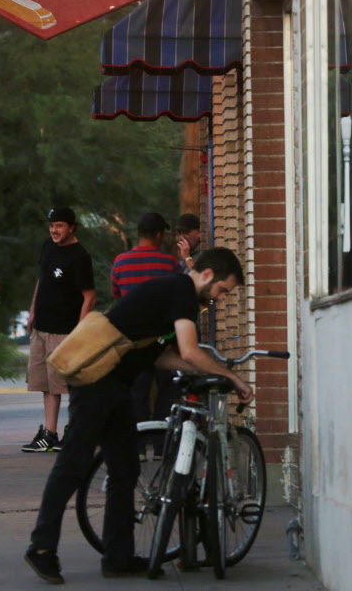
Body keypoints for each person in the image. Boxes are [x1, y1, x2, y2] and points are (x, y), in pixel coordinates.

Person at [24, 247, 253, 583]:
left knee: (125, 469)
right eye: (222, 290)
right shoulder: (181, 292)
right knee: (72, 464)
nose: (220, 298)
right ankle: (41, 548)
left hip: (116, 385)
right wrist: (232, 377)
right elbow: (189, 350)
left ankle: (118, 557)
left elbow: (161, 357)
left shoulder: (172, 292)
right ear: (207, 275)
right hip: (97, 383)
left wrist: (212, 372)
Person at [22, 207, 96, 453]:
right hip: (42, 326)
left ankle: (75, 431)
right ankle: (49, 434)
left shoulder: (80, 256)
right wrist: (33, 311)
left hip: (65, 329)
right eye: (52, 225)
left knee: (68, 384)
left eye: (60, 225)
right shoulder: (48, 246)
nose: (54, 230)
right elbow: (42, 279)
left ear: (72, 227)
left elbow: (89, 296)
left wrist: (80, 329)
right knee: (46, 384)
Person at [110, 212, 178, 459]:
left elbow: (117, 297)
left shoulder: (120, 262)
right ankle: (161, 446)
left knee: (136, 393)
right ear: (159, 234)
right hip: (163, 339)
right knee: (167, 390)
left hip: (132, 341)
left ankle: (138, 446)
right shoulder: (169, 264)